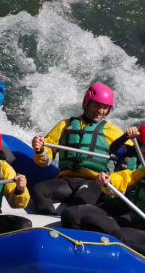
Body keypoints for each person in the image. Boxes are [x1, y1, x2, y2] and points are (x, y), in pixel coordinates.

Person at [30, 83, 127, 215]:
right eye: (97, 105)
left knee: (78, 203)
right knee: (39, 190)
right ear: (87, 102)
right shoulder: (64, 125)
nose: (100, 111)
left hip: (93, 182)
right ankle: (49, 223)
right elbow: (44, 161)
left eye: (105, 108)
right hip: (66, 180)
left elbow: (130, 156)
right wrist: (39, 150)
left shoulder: (111, 130)